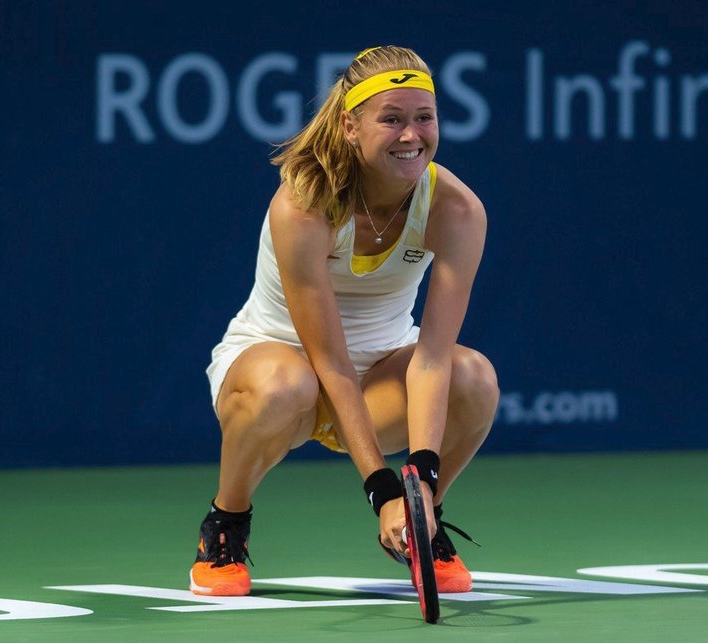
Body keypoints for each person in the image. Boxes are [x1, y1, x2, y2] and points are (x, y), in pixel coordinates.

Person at [189, 45, 499, 597]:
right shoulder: (304, 205)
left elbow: (430, 359)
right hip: (278, 374)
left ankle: (423, 523)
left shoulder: (457, 210)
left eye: (424, 118)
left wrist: (418, 480)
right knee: (290, 384)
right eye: (392, 120)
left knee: (473, 378)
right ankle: (226, 523)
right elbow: (328, 361)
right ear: (349, 127)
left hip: (380, 379)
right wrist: (381, 491)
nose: (412, 136)